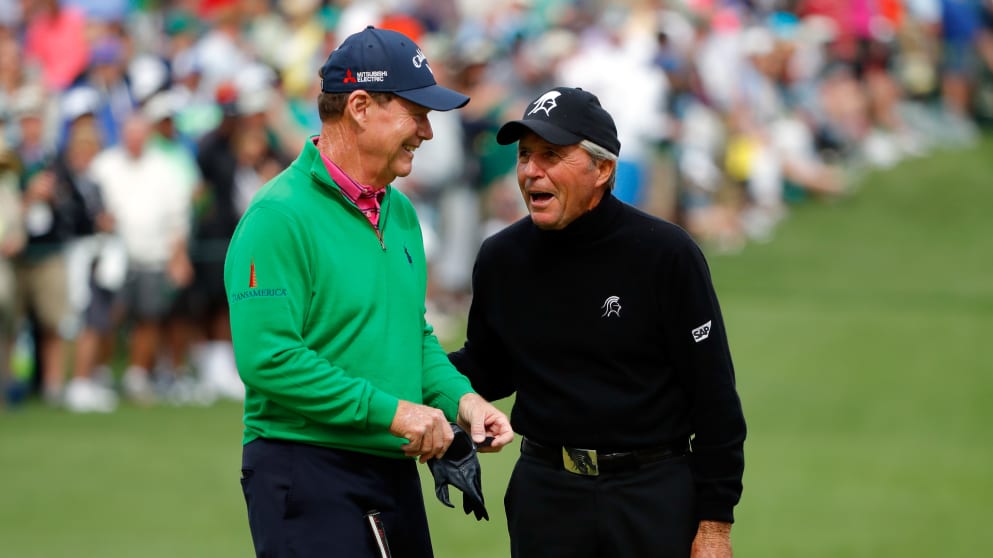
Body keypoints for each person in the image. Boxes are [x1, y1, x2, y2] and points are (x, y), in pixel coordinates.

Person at [223, 26, 514, 558]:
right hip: (305, 468)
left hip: (389, 466)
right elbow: (269, 359)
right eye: (416, 114)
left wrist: (463, 400)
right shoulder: (277, 217)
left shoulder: (399, 211)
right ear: (359, 106)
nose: (426, 132)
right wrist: (398, 414)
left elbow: (412, 334)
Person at [449, 86, 747, 558]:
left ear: (602, 169)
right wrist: (410, 376)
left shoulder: (665, 254)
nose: (531, 171)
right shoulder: (502, 256)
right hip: (545, 494)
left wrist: (715, 524)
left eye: (551, 155)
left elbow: (714, 396)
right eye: (525, 156)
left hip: (651, 493)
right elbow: (488, 368)